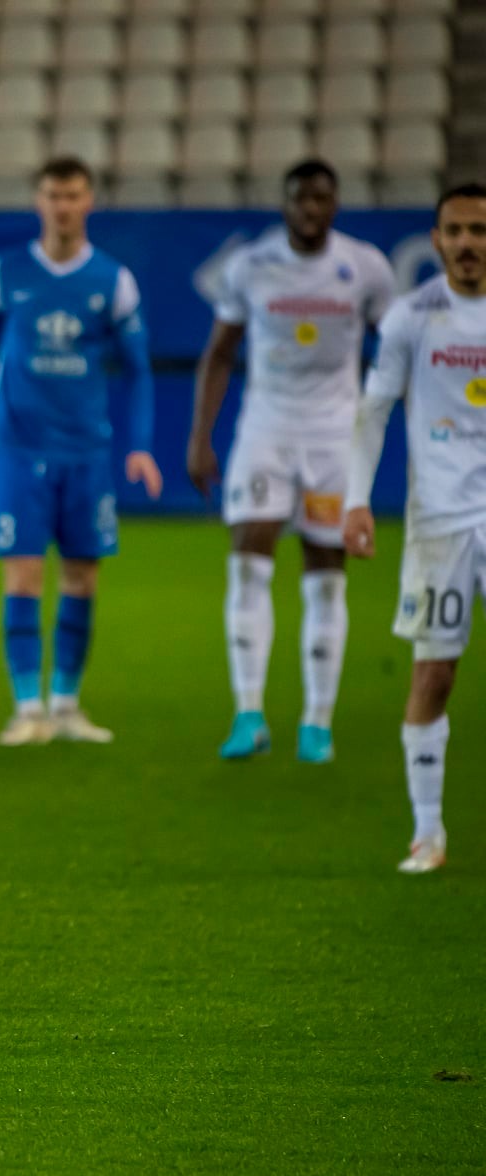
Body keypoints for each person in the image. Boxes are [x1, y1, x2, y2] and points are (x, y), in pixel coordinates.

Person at [188, 160, 396, 763]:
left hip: (335, 437)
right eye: (301, 199)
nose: (310, 208)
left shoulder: (366, 268)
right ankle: (249, 713)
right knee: (249, 558)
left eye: (321, 199)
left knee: (326, 567)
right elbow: (220, 353)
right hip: (266, 430)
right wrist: (200, 437)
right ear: (285, 204)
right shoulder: (252, 265)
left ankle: (317, 721)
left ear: (335, 204)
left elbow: (399, 345)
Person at [0, 156, 162, 746]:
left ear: (89, 201)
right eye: (53, 195)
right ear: (39, 201)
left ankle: (68, 704)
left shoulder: (113, 280)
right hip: (20, 449)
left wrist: (141, 446)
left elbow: (140, 371)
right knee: (21, 575)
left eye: (73, 195)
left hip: (87, 454)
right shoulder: (5, 273)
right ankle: (29, 709)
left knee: (81, 578)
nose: (63, 206)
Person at [344, 182, 486, 874]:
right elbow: (372, 410)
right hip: (442, 520)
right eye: (455, 231)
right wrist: (356, 500)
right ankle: (427, 833)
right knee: (435, 672)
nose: (467, 243)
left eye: (479, 230)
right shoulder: (411, 316)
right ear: (435, 240)